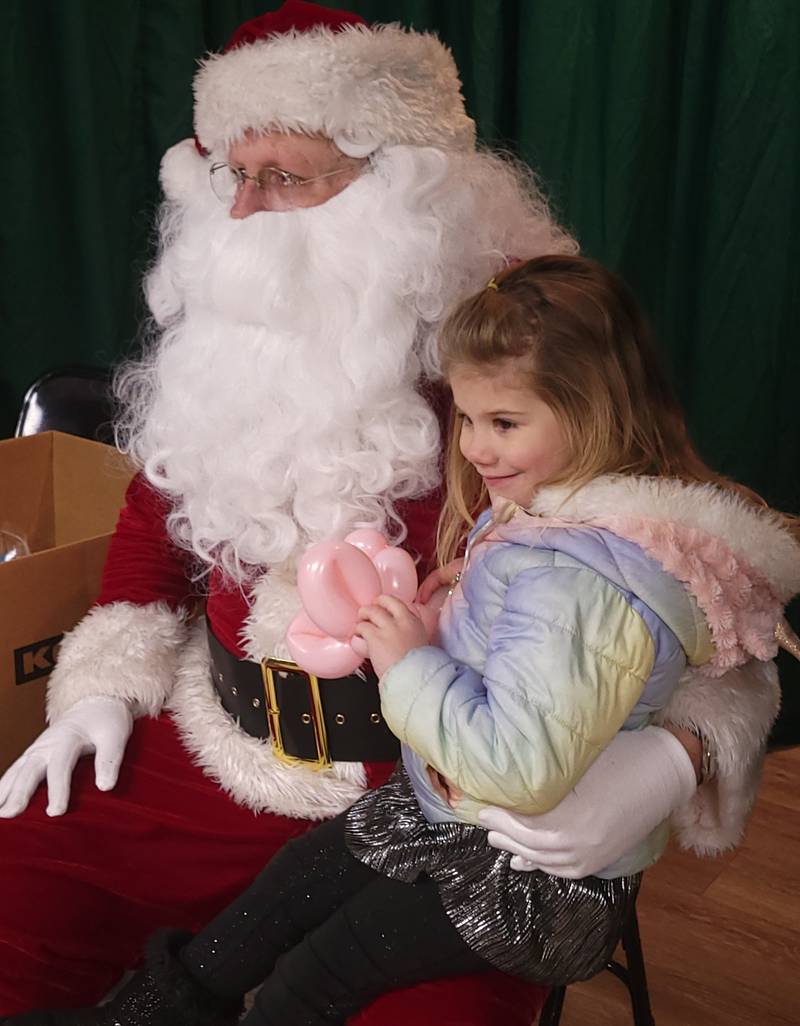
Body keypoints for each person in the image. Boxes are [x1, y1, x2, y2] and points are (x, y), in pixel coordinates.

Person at [0, 3, 786, 1023]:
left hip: (441, 801)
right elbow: (156, 534)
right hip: (208, 753)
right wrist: (102, 689)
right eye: (231, 175)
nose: (242, 214)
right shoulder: (229, 342)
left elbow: (707, 586)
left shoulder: (522, 351)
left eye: (283, 176)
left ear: (402, 190)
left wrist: (672, 754)